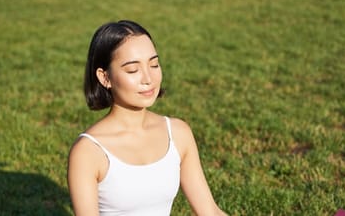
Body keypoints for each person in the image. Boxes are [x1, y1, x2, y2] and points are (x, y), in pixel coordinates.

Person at [68, 20, 227, 216]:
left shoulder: (178, 133)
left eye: (154, 64)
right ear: (105, 78)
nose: (148, 78)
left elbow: (210, 211)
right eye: (133, 70)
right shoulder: (88, 152)